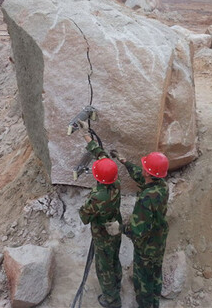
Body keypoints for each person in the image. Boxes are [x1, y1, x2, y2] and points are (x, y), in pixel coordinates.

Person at [106, 150, 169, 308]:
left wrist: (118, 228)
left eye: (144, 167)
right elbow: (141, 177)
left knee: (144, 282)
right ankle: (155, 303)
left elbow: (137, 231)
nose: (142, 168)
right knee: (155, 275)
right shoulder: (162, 186)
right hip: (158, 240)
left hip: (146, 248)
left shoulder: (146, 200)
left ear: (148, 173)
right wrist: (125, 162)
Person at [78, 121, 123, 308]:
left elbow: (84, 217)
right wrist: (86, 135)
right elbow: (102, 156)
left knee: (104, 268)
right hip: (116, 228)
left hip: (103, 236)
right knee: (114, 259)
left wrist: (84, 206)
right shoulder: (116, 182)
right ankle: (118, 285)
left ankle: (112, 301)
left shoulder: (98, 197)